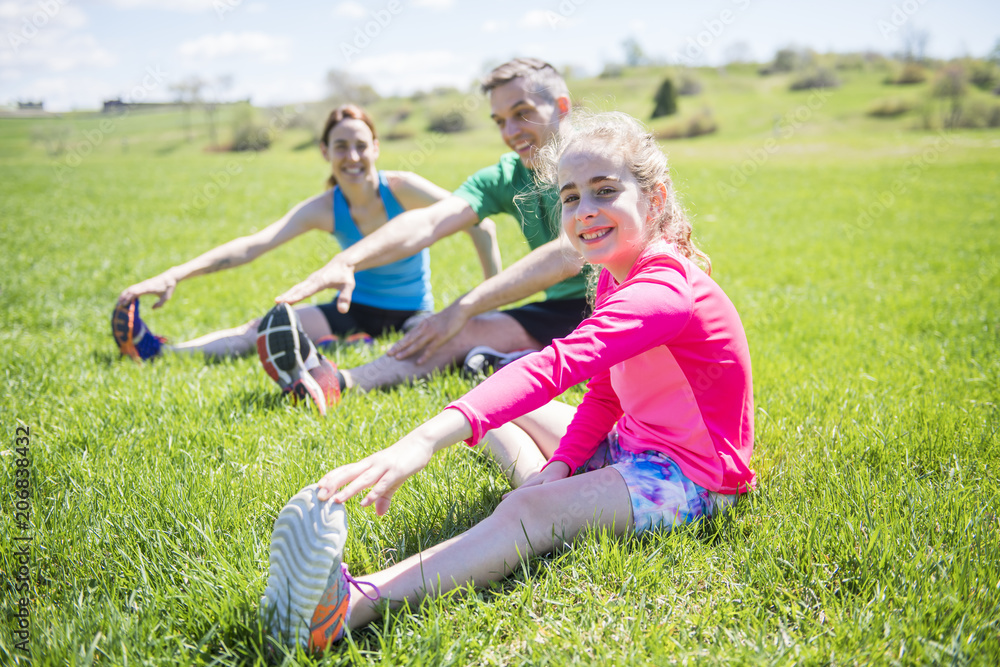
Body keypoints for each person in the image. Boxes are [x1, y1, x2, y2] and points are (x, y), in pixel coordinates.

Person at [258, 112, 756, 652]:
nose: (585, 211)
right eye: (570, 197)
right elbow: (607, 391)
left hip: (692, 478)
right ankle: (553, 488)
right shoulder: (617, 273)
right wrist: (564, 464)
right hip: (633, 442)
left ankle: (345, 608)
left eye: (605, 191)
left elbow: (556, 365)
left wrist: (421, 441)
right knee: (498, 399)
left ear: (655, 199)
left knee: (525, 510)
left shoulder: (664, 288)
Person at [265, 58, 591, 403]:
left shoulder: (598, 162)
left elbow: (569, 252)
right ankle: (335, 381)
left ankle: (513, 361)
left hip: (623, 306)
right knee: (449, 332)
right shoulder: (507, 176)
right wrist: (349, 259)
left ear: (561, 106)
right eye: (500, 121)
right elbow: (429, 221)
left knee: (458, 321)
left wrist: (465, 305)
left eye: (522, 112)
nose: (510, 132)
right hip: (565, 310)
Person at [110, 103, 502, 375]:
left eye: (361, 145)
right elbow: (253, 246)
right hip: (354, 307)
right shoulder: (324, 207)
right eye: (341, 146)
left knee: (430, 351)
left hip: (413, 311)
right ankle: (161, 350)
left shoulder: (403, 189)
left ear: (376, 148)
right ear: (324, 152)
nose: (352, 156)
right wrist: (175, 274)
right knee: (262, 329)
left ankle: (353, 348)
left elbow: (481, 225)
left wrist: (489, 301)